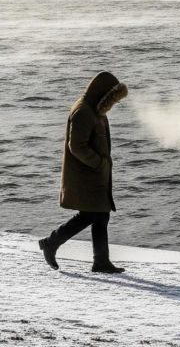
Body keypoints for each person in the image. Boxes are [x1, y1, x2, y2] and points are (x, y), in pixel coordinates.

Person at [39, 71, 129, 274]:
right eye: (112, 99)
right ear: (102, 94)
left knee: (100, 214)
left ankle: (101, 261)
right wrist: (99, 163)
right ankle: (51, 242)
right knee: (90, 214)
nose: (113, 104)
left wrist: (102, 166)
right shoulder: (83, 112)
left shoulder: (96, 109)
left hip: (95, 174)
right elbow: (77, 146)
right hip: (87, 175)